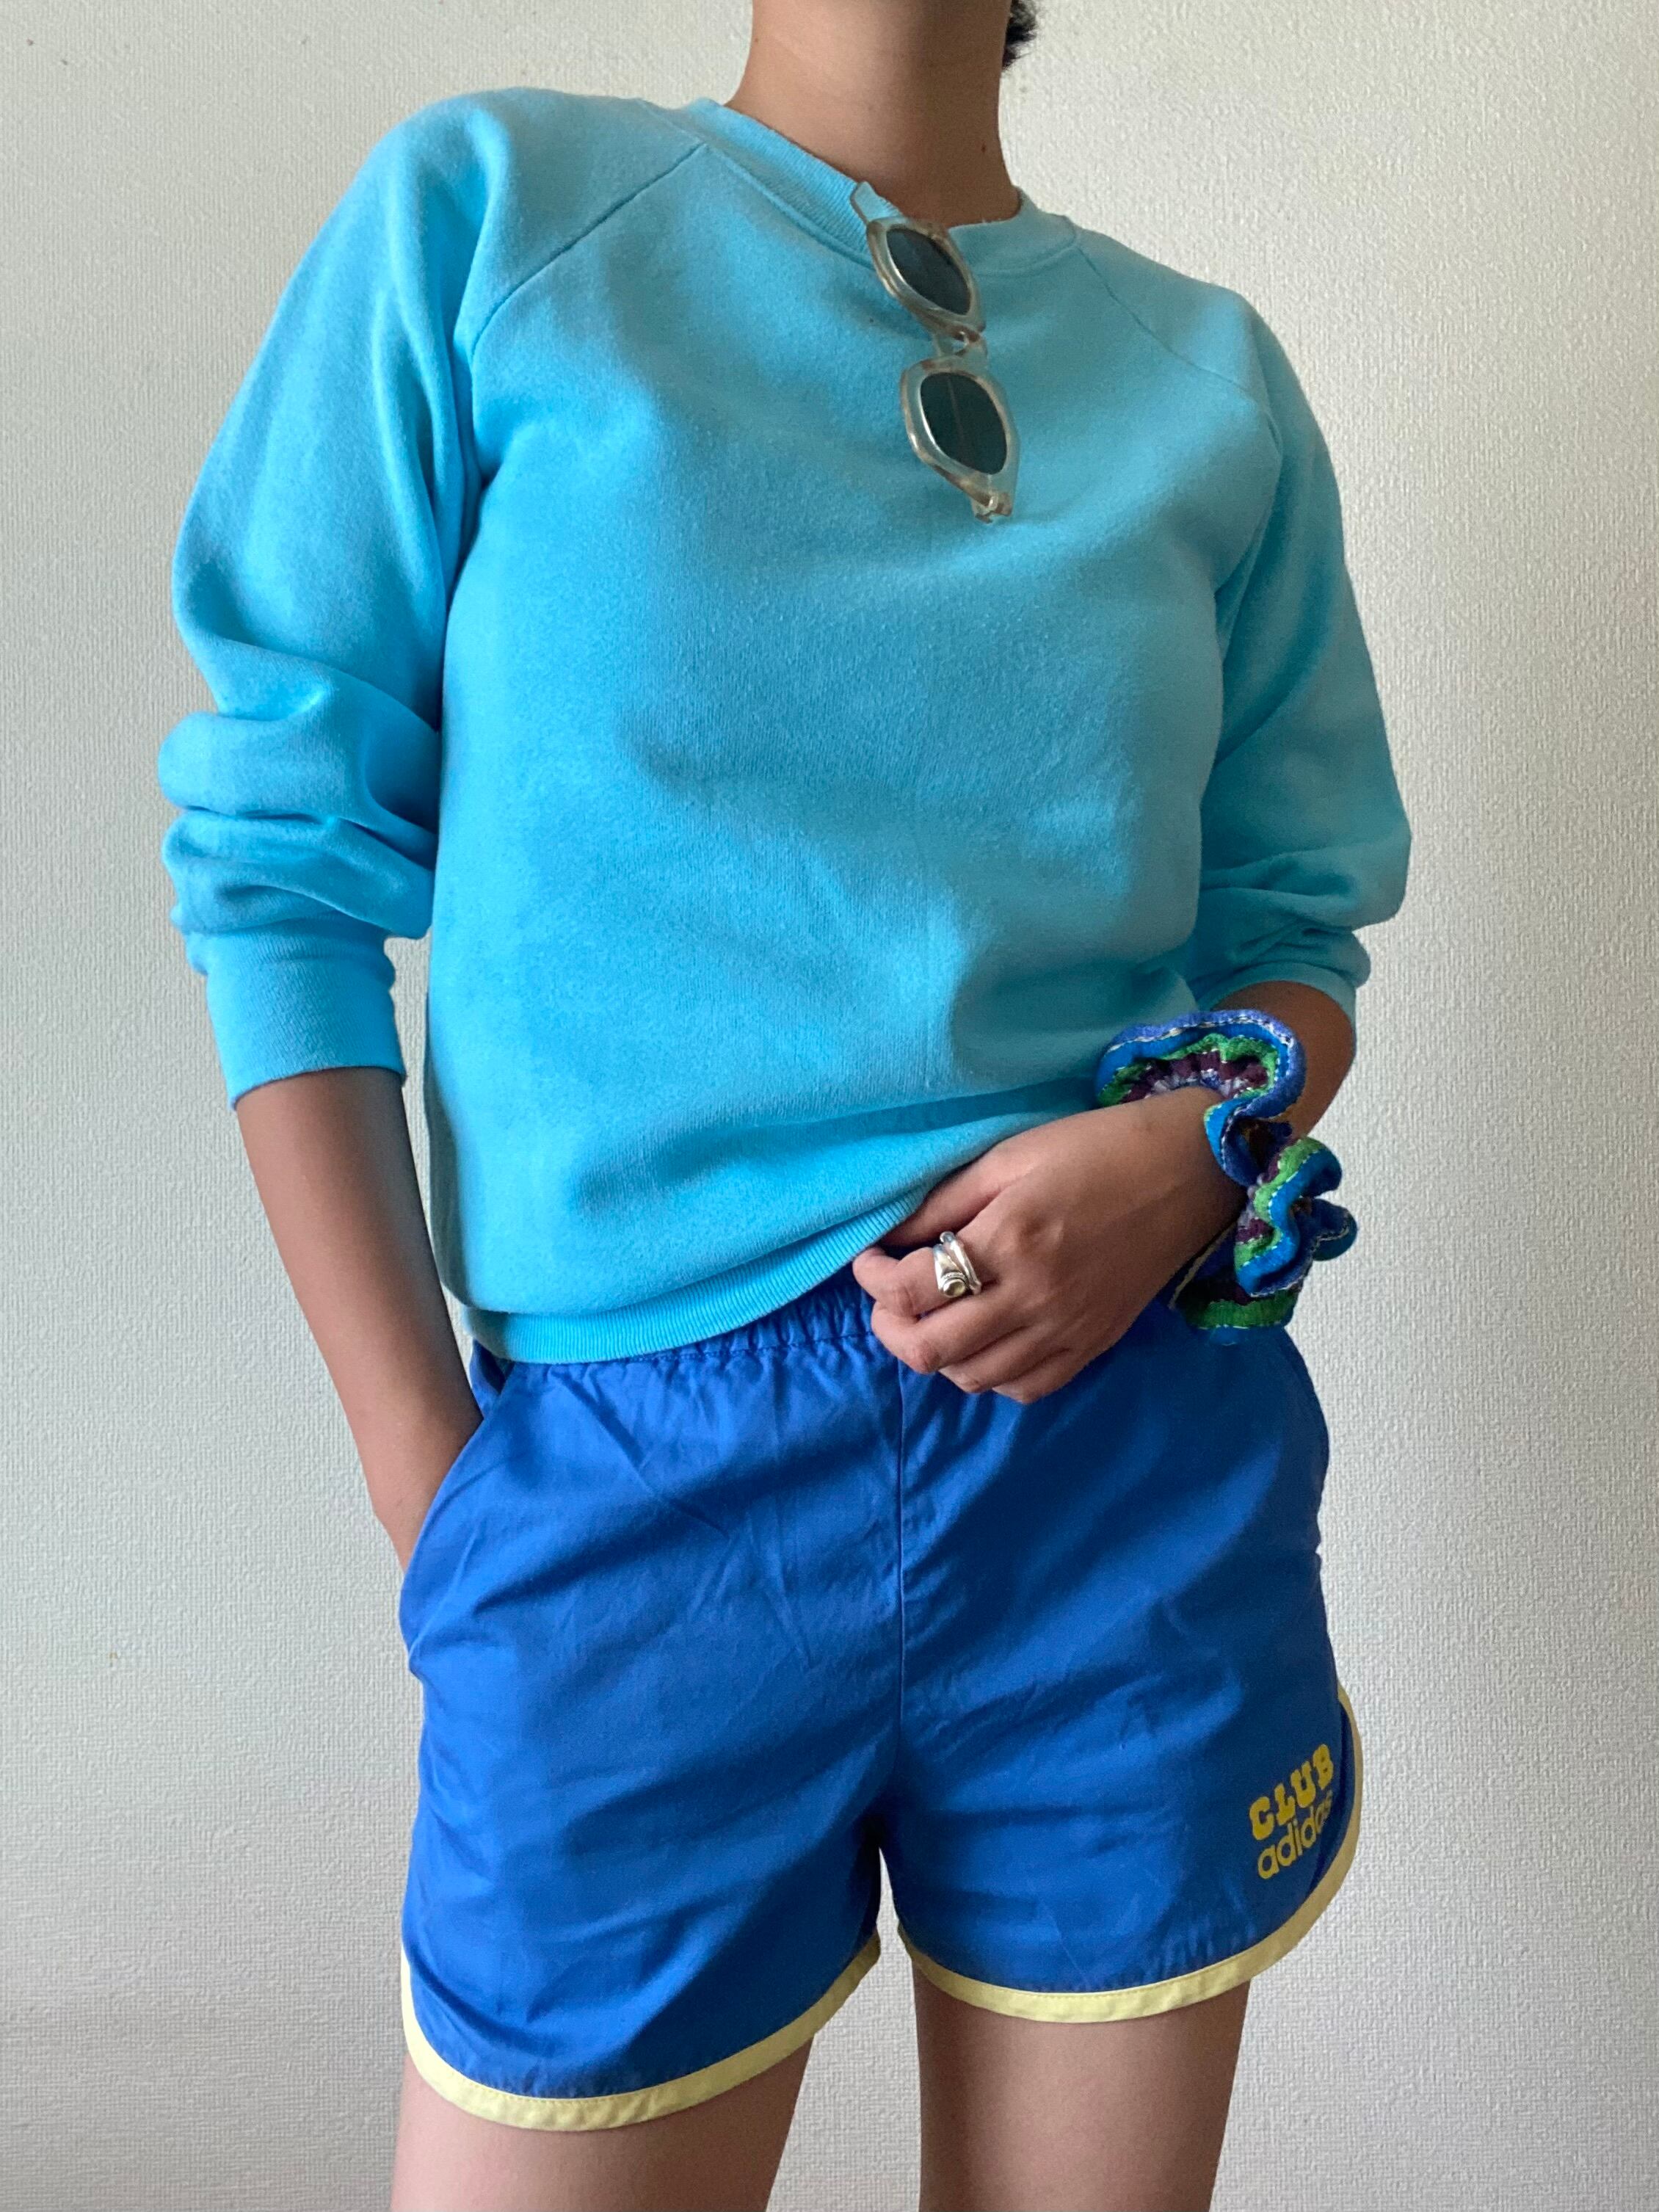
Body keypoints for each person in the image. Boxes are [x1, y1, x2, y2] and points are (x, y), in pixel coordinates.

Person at [155, 1, 1412, 2205]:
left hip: (1123, 1462)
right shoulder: (492, 219)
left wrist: (1183, 1146)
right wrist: (432, 1485)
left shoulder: (1209, 377)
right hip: (630, 1493)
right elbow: (279, 863)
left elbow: (1292, 931)